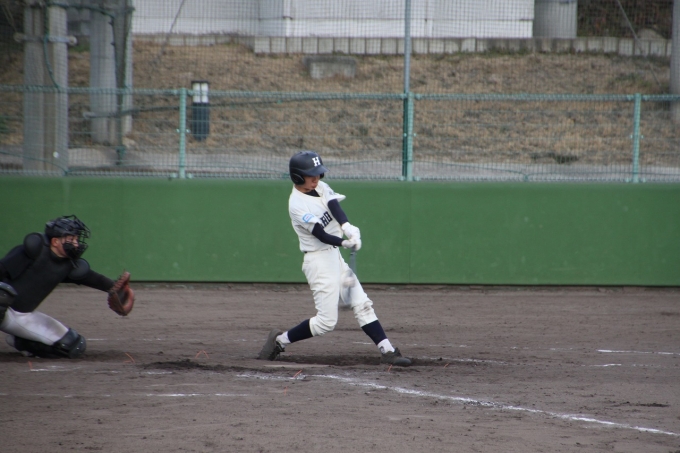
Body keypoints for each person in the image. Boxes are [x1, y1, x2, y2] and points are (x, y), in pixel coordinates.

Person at [257, 151, 411, 366]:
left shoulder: (319, 186)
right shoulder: (297, 204)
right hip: (318, 261)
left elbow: (334, 206)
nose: (316, 178)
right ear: (298, 177)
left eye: (318, 173)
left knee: (362, 304)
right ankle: (280, 341)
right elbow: (320, 234)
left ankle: (388, 351)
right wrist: (344, 243)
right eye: (311, 175)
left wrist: (348, 228)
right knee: (326, 323)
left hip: (334, 256)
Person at [0, 215, 134, 359]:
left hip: (21, 315)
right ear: (55, 241)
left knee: (73, 345)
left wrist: (114, 289)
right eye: (71, 239)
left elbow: (94, 279)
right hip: (4, 308)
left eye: (76, 239)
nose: (75, 244)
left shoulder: (68, 265)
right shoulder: (35, 249)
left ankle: (22, 341)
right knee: (3, 294)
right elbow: (2, 269)